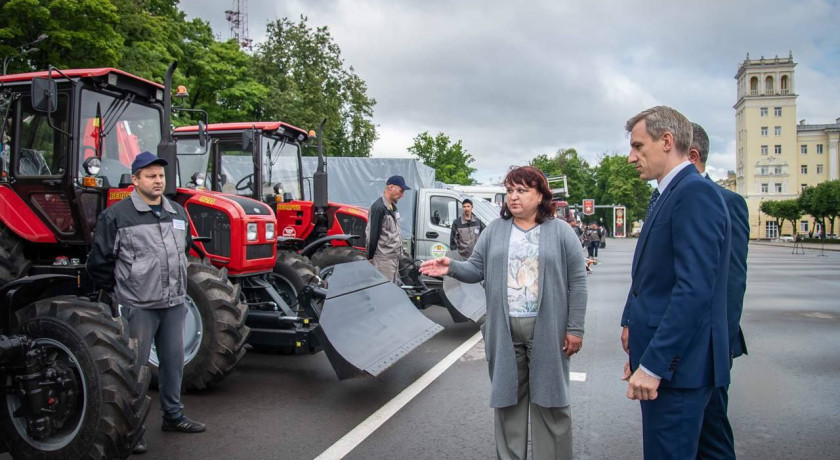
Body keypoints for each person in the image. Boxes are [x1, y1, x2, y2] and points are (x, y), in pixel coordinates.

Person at [420, 166, 587, 460]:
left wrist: (575, 328)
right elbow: (475, 269)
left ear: (540, 196)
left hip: (547, 329)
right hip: (505, 329)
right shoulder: (495, 230)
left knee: (551, 402)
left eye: (521, 190)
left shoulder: (561, 232)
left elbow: (578, 282)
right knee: (508, 401)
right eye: (510, 191)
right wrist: (452, 267)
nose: (513, 197)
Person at [619, 106, 731, 459]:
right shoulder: (671, 193)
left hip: (677, 372)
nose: (630, 157)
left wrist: (653, 364)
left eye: (638, 146)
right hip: (674, 367)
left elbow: (693, 290)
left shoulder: (693, 193)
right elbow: (654, 282)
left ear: (667, 141)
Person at [87, 152, 206, 455]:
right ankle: (132, 428)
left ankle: (173, 416)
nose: (158, 181)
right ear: (136, 179)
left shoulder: (177, 212)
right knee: (134, 369)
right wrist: (120, 294)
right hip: (138, 305)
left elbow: (186, 249)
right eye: (151, 176)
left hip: (174, 302)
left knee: (173, 363)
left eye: (161, 176)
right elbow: (99, 263)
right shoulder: (116, 216)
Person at [688, 122, 749, 459]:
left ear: (692, 155)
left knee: (711, 435)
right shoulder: (662, 200)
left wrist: (718, 345)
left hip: (709, 346)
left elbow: (732, 283)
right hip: (675, 347)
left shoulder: (729, 202)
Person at [366, 175, 410, 282]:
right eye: (401, 191)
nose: (402, 195)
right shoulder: (379, 207)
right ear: (391, 187)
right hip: (383, 261)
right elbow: (372, 236)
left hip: (393, 259)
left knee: (392, 290)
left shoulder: (391, 207)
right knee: (384, 293)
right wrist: (370, 257)